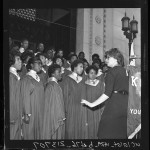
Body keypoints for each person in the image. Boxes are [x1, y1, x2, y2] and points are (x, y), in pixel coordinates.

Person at [81, 48, 129, 139]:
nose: (106, 60)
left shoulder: (111, 71)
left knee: (104, 133)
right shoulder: (125, 71)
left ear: (115, 59)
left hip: (114, 105)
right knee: (120, 133)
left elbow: (107, 93)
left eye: (108, 57)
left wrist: (92, 104)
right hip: (125, 105)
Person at [20, 56, 45, 139]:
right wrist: (26, 113)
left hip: (40, 111)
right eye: (38, 63)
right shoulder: (26, 79)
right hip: (31, 111)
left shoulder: (39, 79)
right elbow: (25, 97)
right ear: (31, 65)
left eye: (41, 63)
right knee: (30, 134)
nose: (40, 65)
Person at [61, 60, 86, 139]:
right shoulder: (67, 79)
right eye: (80, 66)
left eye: (83, 67)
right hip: (71, 107)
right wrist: (65, 110)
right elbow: (65, 96)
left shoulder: (83, 80)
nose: (82, 69)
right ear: (74, 67)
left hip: (81, 107)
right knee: (71, 128)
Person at [42, 64, 65, 139]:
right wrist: (60, 117)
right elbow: (57, 103)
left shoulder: (51, 84)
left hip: (51, 114)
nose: (60, 74)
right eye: (59, 72)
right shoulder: (53, 85)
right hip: (55, 116)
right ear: (53, 74)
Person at [81, 65, 105, 139]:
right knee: (88, 127)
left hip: (97, 109)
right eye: (91, 73)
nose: (93, 75)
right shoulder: (83, 84)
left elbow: (103, 98)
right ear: (87, 73)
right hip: (87, 109)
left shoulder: (100, 84)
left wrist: (102, 109)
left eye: (95, 73)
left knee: (97, 126)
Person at [9, 50, 22, 139]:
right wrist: (11, 116)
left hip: (18, 112)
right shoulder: (11, 77)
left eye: (20, 59)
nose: (20, 61)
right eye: (18, 59)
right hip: (13, 115)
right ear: (12, 62)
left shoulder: (16, 75)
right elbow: (10, 98)